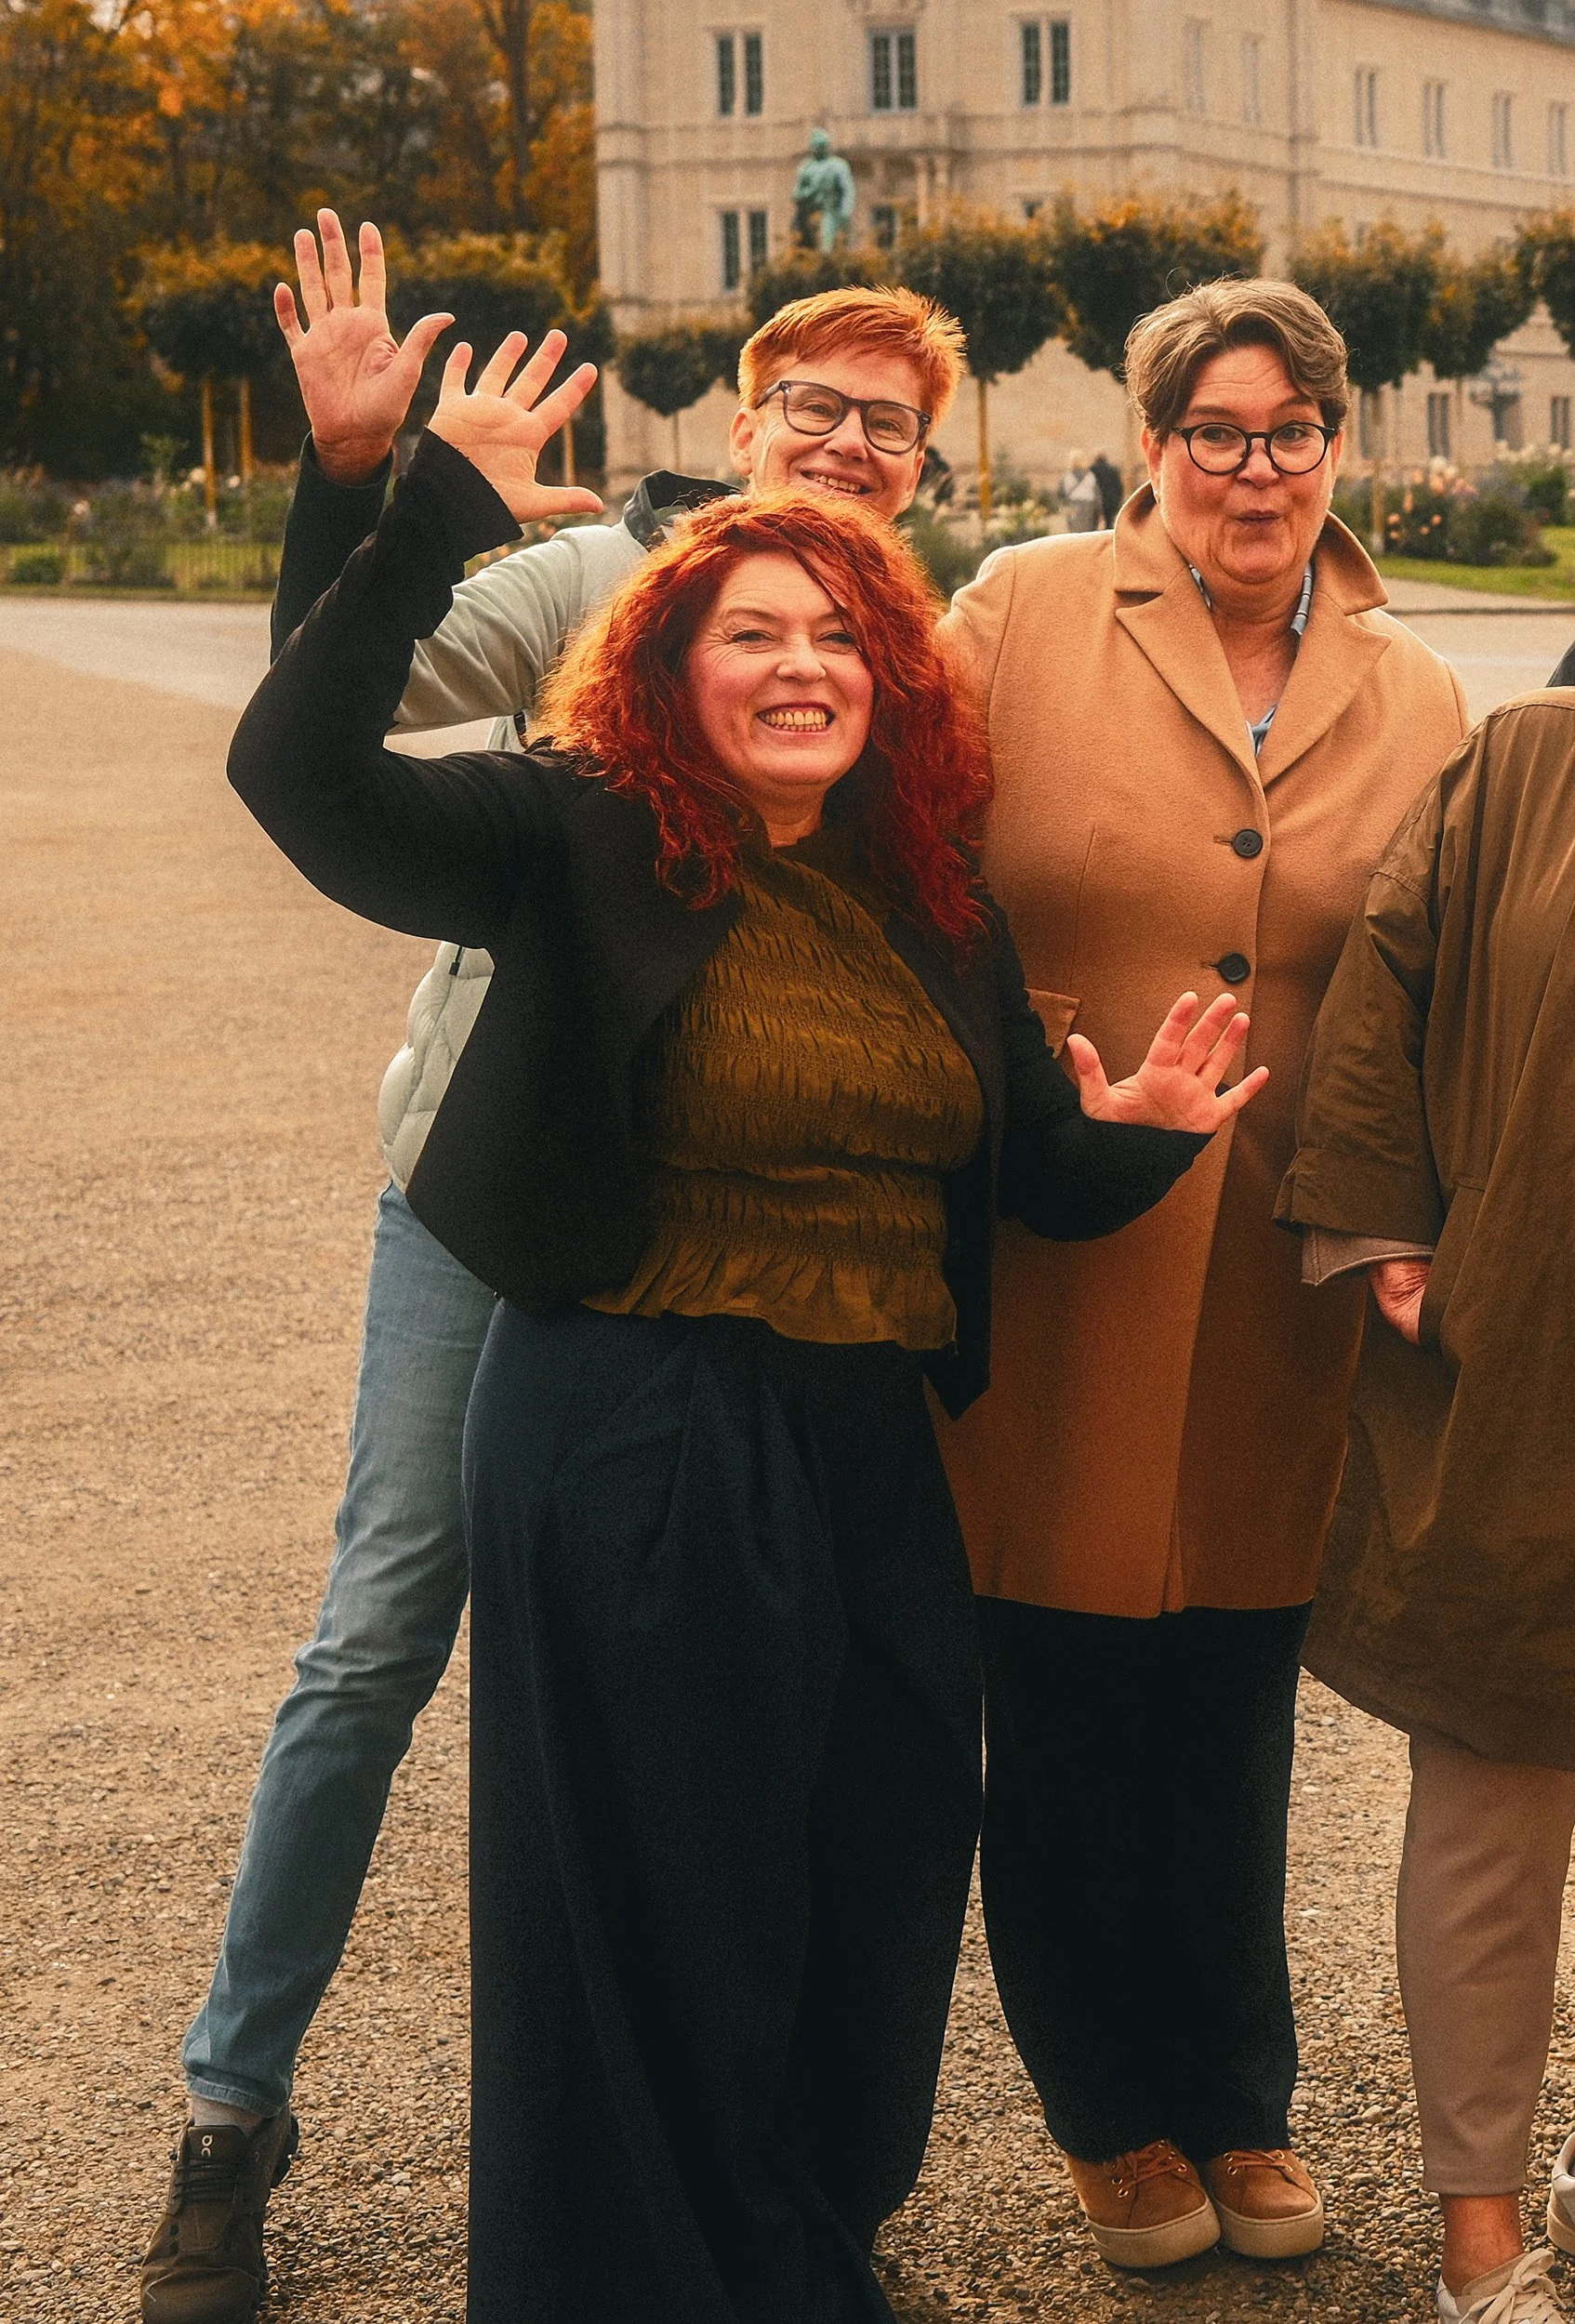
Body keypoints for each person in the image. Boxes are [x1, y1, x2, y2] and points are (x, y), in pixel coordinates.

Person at [224, 331, 1259, 2317]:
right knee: (663, 1893)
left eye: (839, 639)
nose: (801, 667)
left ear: (888, 677)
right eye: (751, 634)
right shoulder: (577, 830)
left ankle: (795, 2243)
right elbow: (301, 769)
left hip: (868, 1443)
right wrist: (412, 486)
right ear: (667, 665)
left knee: (868, 1882)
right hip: (639, 1419)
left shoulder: (929, 892)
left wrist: (1133, 1138)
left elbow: (1023, 1164)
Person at [139, 210, 972, 2324]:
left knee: (753, 1726)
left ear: (926, 458)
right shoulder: (622, 579)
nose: (847, 445)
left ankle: (745, 2190)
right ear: (748, 413)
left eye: (886, 425)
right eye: (815, 407)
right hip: (511, 1185)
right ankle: (232, 2112)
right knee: (386, 1622)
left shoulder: (910, 645)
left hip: (755, 1250)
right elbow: (340, 707)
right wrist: (372, 487)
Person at [933, 276, 1471, 2271]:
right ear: (1155, 443)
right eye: (1217, 430)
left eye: (1292, 429)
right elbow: (908, 865)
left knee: (1233, 1696)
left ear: (1339, 440)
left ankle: (1237, 2092)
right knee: (1062, 1696)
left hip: (1277, 1253)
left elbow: (1435, 963)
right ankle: (1107, 2108)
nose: (1257, 467)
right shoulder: (1021, 610)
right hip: (1064, 1208)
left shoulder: (1409, 683)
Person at [1277, 693, 1575, 2324]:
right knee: (1489, 1804)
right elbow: (1377, 983)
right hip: (1525, 1359)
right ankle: (1483, 2248)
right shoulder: (1526, 758)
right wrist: (1379, 1225)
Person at [1057, 447, 1100, 533]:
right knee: (1087, 532)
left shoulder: (1067, 476)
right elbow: (1097, 494)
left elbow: (1061, 493)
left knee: (1074, 533)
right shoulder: (1090, 476)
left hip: (1073, 506)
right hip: (1088, 506)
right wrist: (1099, 510)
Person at [1090, 449, 1125, 529]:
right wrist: (1118, 500)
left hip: (1096, 500)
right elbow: (1119, 486)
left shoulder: (1092, 470)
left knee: (1094, 524)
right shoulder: (1113, 469)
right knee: (1109, 522)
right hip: (1111, 500)